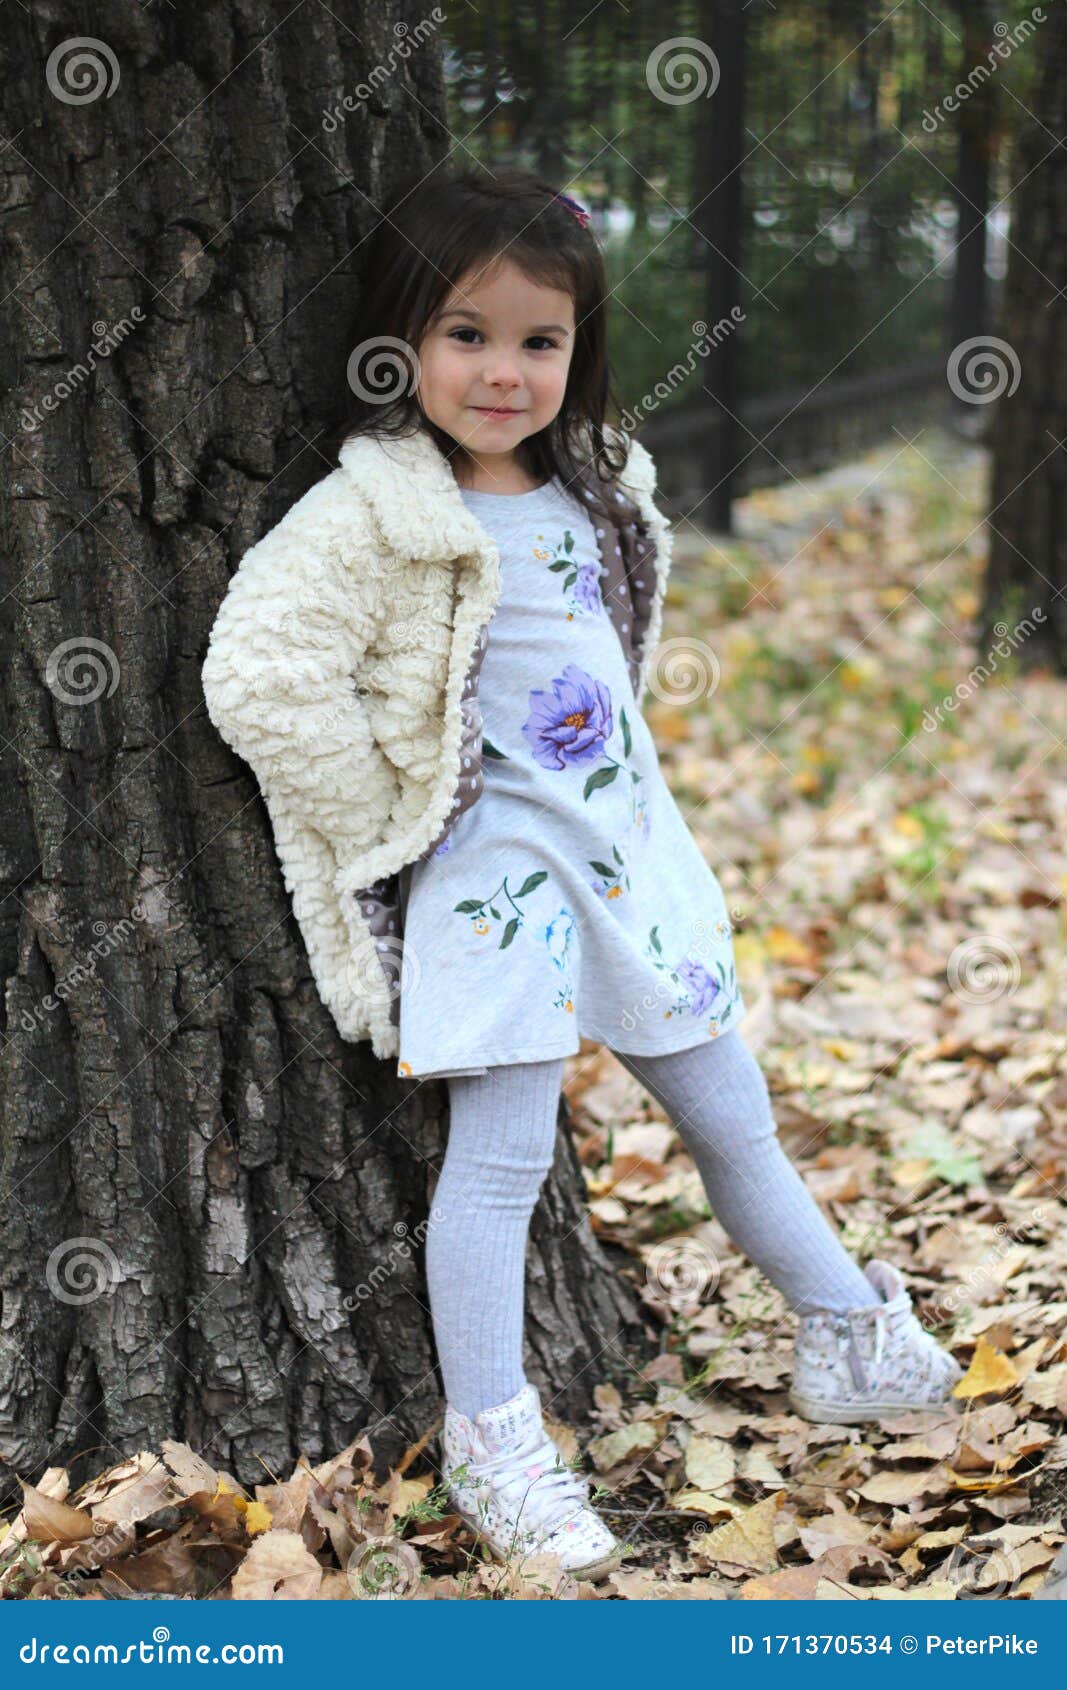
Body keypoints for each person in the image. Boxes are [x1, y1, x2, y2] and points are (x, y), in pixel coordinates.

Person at [201, 168, 961, 1584]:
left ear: (580, 350)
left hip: (627, 858)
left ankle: (848, 1331)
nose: (503, 370)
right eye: (466, 333)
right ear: (399, 341)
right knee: (500, 1162)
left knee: (733, 1113)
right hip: (495, 885)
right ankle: (495, 1436)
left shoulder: (600, 489)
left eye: (539, 340)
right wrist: (393, 815)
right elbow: (259, 670)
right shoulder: (376, 514)